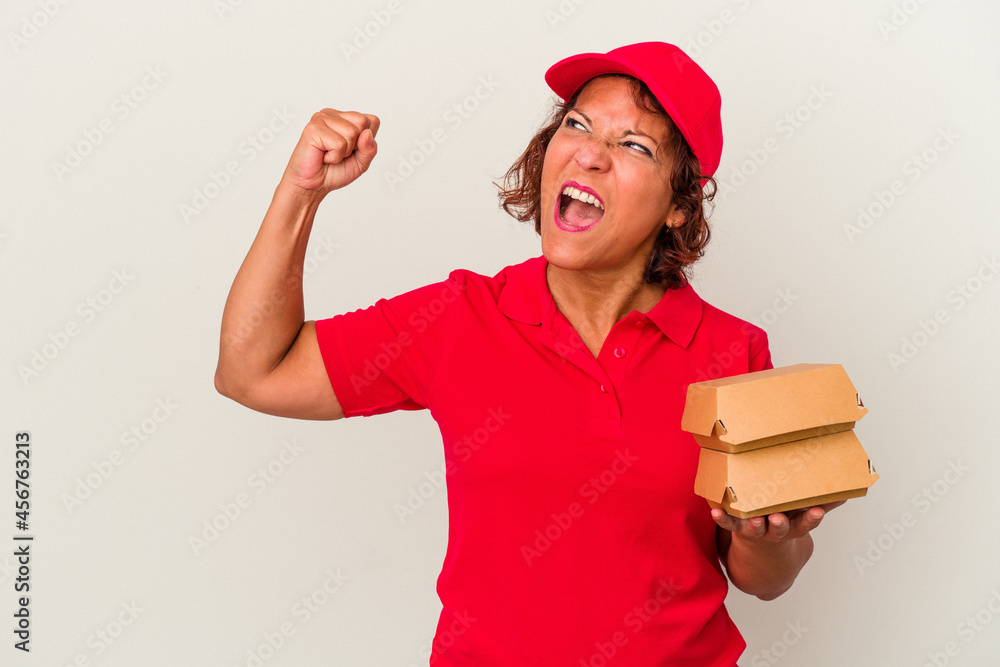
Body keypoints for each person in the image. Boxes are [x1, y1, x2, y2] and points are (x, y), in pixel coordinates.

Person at [215, 41, 843, 666]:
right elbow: (252, 372)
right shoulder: (458, 317)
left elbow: (764, 579)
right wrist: (301, 193)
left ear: (680, 207)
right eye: (577, 125)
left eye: (634, 145)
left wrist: (770, 538)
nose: (590, 153)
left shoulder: (733, 349)